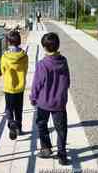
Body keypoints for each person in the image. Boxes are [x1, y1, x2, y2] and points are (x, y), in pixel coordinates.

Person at [30, 32, 70, 165]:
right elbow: (67, 81)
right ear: (58, 46)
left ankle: (46, 148)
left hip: (44, 102)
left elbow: (37, 83)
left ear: (44, 47)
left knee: (42, 124)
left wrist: (33, 97)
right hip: (59, 102)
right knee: (61, 129)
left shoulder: (43, 64)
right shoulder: (63, 61)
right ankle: (62, 155)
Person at [1, 30, 29, 140]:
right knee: (19, 108)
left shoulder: (5, 57)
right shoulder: (24, 56)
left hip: (9, 87)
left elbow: (3, 70)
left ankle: (11, 123)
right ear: (19, 41)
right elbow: (26, 69)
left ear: (8, 42)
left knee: (9, 108)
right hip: (20, 87)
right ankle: (19, 128)